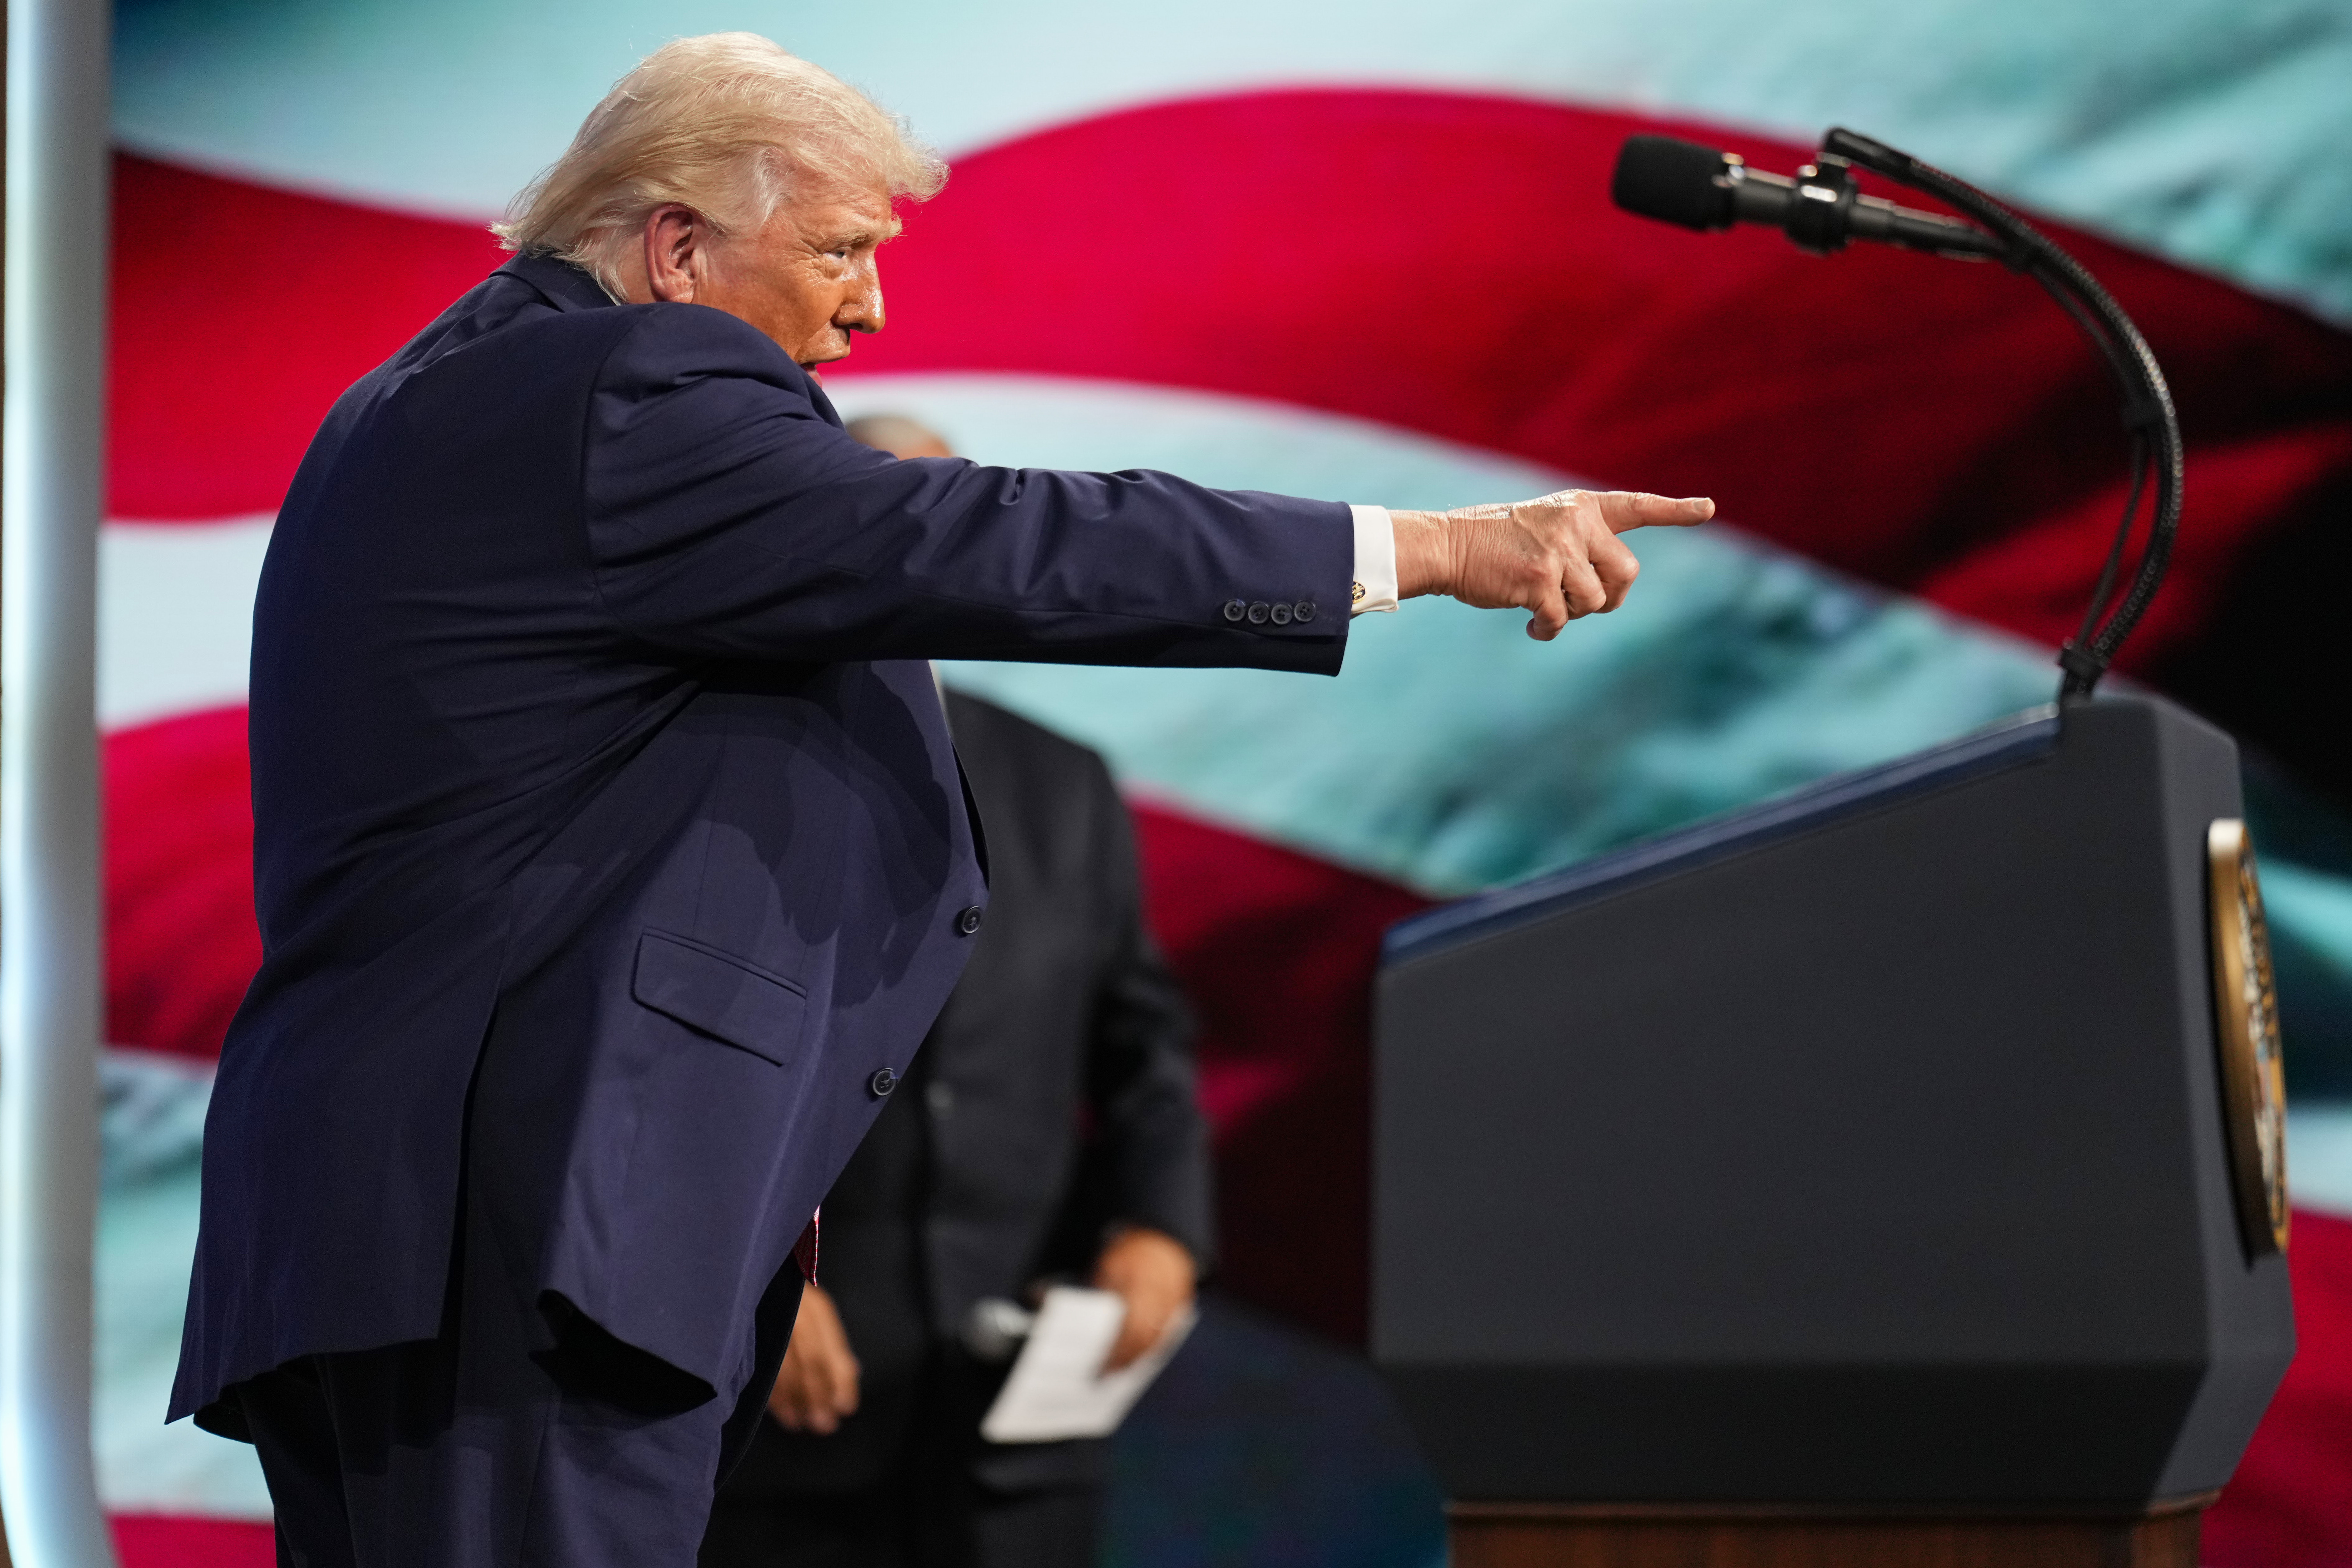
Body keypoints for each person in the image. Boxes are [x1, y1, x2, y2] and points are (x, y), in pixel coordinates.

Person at [169, 32, 1712, 1568]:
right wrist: (1421, 550)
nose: (870, 302)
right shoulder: (627, 382)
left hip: (388, 1225)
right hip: (523, 1225)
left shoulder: (419, 401)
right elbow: (995, 538)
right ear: (677, 245)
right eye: (839, 248)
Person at [699, 414, 1206, 1568]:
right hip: (776, 1424)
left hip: (1015, 1439)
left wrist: (1161, 1226)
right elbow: (658, 1063)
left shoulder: (1062, 783)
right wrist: (742, 1285)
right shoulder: (712, 764)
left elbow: (1146, 1044)